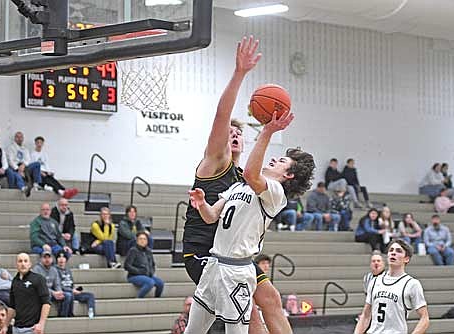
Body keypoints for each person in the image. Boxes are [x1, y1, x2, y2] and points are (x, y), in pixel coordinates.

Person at [181, 36, 292, 334]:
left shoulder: (247, 176)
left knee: (270, 298)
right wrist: (240, 73)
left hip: (236, 256)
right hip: (204, 251)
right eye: (227, 133)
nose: (232, 135)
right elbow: (222, 116)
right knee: (250, 317)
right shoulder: (215, 162)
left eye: (237, 133)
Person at [184, 111, 315, 333]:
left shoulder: (273, 191)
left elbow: (252, 173)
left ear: (288, 175)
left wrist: (266, 132)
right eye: (231, 133)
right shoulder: (235, 183)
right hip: (210, 258)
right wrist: (202, 203)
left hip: (237, 266)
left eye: (281, 161)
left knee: (265, 303)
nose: (274, 159)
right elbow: (211, 216)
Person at [355, 240, 429, 334]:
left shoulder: (411, 284)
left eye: (398, 251)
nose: (393, 253)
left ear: (406, 259)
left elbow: (425, 318)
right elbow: (365, 315)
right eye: (391, 250)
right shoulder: (375, 281)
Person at [1, 253, 50, 334]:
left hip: (32, 328)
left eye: (25, 261)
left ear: (30, 264)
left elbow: (46, 303)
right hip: (16, 328)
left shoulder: (38, 279)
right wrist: (5, 325)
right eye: (20, 261)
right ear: (16, 264)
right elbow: (12, 307)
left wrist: (41, 324)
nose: (23, 264)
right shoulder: (14, 281)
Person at [124, 231, 164, 299]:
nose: (142, 241)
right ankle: (138, 299)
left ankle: (157, 299)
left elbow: (153, 264)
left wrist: (151, 272)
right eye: (140, 239)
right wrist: (139, 271)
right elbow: (127, 265)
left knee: (160, 283)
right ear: (137, 241)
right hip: (134, 276)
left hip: (148, 275)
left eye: (144, 239)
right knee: (150, 282)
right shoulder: (133, 250)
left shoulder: (149, 251)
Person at [55, 252, 95, 318]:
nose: (61, 259)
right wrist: (72, 290)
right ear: (56, 259)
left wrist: (75, 289)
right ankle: (65, 315)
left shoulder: (68, 270)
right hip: (64, 292)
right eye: (59, 257)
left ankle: (91, 312)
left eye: (63, 257)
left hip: (72, 291)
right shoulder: (55, 270)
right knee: (69, 295)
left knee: (90, 295)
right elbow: (57, 285)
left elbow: (71, 282)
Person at [32, 251, 72, 317]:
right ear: (41, 259)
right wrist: (53, 293)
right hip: (41, 293)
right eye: (45, 258)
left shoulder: (54, 269)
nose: (47, 260)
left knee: (68, 295)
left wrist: (59, 292)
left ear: (52, 259)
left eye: (49, 257)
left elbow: (57, 284)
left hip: (52, 292)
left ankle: (63, 316)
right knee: (47, 296)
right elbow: (39, 286)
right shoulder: (36, 269)